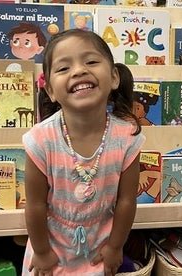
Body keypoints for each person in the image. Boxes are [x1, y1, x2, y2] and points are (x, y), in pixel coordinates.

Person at [22, 29, 145, 276]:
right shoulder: (41, 139)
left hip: (101, 247)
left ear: (113, 78)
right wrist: (43, 252)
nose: (78, 71)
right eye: (63, 68)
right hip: (50, 248)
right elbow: (35, 205)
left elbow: (126, 201)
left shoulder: (127, 137)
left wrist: (115, 246)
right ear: (51, 92)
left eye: (90, 61)